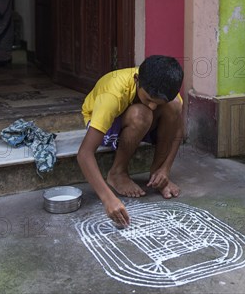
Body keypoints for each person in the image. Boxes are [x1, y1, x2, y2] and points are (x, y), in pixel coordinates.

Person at [77, 55, 184, 226]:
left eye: (158, 103)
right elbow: (84, 154)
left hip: (139, 121)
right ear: (136, 80)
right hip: (106, 123)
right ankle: (117, 173)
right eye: (149, 99)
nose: (153, 106)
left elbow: (178, 130)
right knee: (142, 114)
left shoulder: (166, 86)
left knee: (174, 107)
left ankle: (156, 174)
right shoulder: (112, 94)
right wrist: (108, 199)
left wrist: (165, 169)